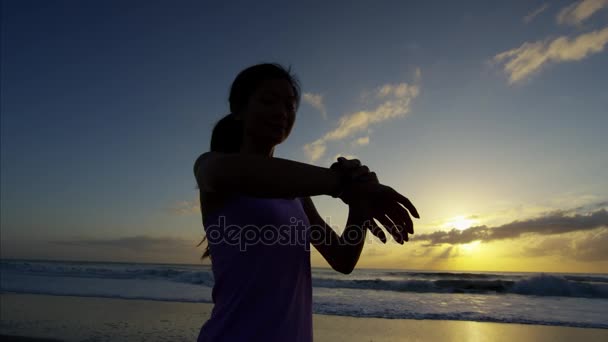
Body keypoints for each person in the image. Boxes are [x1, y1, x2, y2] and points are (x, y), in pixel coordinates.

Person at [193, 63, 419, 341]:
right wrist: (349, 185)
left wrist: (359, 208)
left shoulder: (299, 193)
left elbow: (342, 259)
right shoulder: (212, 166)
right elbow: (242, 174)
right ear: (239, 110)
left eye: (289, 105)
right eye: (268, 101)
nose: (281, 112)